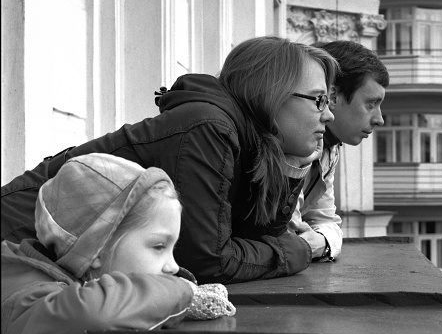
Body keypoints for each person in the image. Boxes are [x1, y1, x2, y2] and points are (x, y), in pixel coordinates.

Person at [1, 37, 338, 284]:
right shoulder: (209, 128)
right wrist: (297, 252)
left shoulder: (246, 141)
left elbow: (258, 236)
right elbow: (208, 262)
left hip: (69, 263)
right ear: (272, 94)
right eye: (319, 100)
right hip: (19, 239)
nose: (328, 115)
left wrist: (294, 165)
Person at [1, 153, 235, 334]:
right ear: (96, 250)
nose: (173, 266)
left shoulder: (68, 275)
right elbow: (91, 314)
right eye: (158, 246)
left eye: (172, 249)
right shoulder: (23, 294)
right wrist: (182, 292)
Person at [289, 40, 389, 261]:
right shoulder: (292, 142)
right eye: (371, 104)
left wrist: (321, 243)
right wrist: (315, 243)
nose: (379, 119)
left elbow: (327, 223)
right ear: (333, 97)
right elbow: (288, 237)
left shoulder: (330, 148)